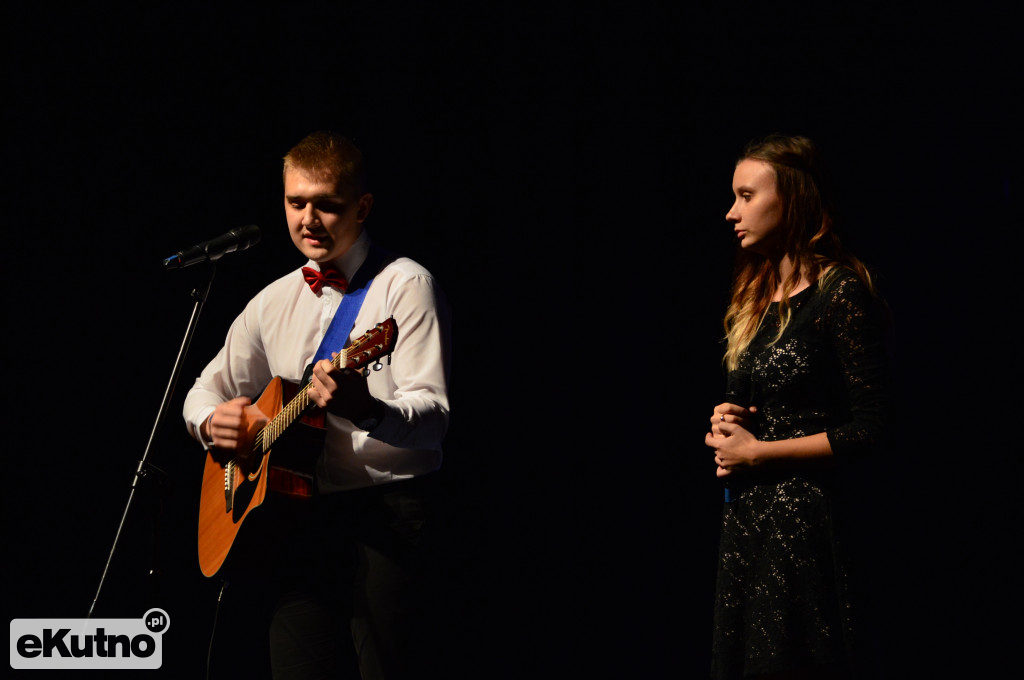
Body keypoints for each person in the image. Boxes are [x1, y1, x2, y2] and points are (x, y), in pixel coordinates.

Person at [183, 130, 451, 679]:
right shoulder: (272, 301)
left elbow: (433, 420)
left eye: (326, 204)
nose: (308, 219)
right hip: (295, 523)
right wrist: (212, 421)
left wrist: (370, 410)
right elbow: (202, 390)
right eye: (295, 202)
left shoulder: (406, 285)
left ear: (362, 206)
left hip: (387, 516)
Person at [704, 134, 891, 679]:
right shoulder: (755, 296)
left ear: (791, 198)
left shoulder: (841, 293)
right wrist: (727, 421)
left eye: (746, 195)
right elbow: (760, 400)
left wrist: (760, 453)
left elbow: (873, 428)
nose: (732, 212)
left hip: (804, 525)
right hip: (748, 523)